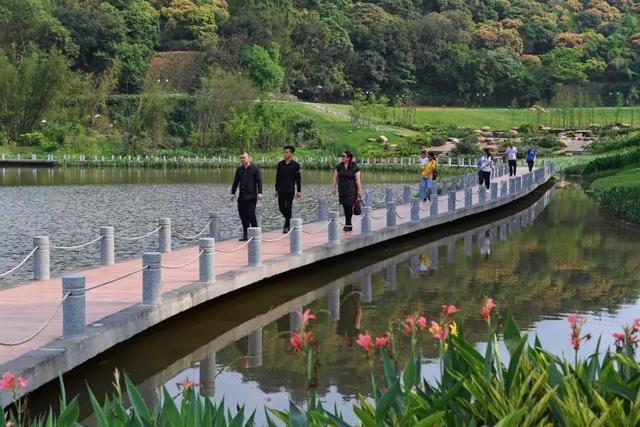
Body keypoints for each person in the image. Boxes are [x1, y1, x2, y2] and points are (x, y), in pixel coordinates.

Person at [230, 151, 263, 241]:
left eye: (244, 157)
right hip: (242, 197)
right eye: (241, 158)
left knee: (250, 214)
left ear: (249, 158)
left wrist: (260, 192)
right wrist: (233, 193)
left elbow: (259, 181)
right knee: (243, 216)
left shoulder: (255, 169)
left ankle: (256, 232)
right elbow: (236, 182)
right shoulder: (239, 170)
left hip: (252, 197)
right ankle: (246, 235)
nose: (242, 159)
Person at [332, 150, 363, 233]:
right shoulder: (339, 166)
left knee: (349, 206)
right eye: (341, 156)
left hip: (352, 189)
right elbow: (335, 178)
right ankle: (348, 224)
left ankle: (348, 224)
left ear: (348, 158)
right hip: (342, 189)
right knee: (345, 206)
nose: (341, 157)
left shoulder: (354, 167)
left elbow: (357, 179)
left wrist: (360, 190)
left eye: (343, 156)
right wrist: (334, 188)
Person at [275, 145, 302, 233]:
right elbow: (277, 178)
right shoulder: (280, 164)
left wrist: (299, 191)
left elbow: (298, 179)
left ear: (291, 153)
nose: (285, 154)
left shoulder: (296, 165)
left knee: (289, 207)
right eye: (284, 152)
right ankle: (289, 220)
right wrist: (276, 189)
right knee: (281, 208)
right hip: (281, 190)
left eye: (287, 152)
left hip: (290, 190)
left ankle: (287, 225)